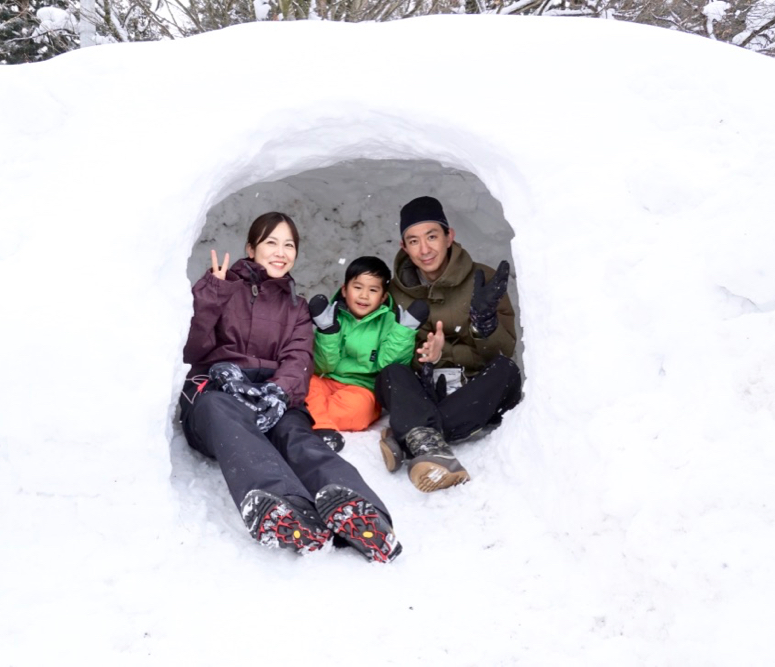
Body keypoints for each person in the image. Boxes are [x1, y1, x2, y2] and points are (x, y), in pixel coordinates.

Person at [180, 212, 402, 563]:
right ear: (251, 248)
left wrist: (278, 393)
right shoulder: (221, 289)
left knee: (299, 438)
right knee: (218, 408)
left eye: (289, 245)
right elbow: (192, 349)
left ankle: (363, 513)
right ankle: (288, 510)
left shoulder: (296, 308)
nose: (280, 251)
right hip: (218, 392)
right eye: (271, 242)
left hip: (270, 396)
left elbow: (298, 358)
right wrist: (212, 297)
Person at [375, 196, 523, 493]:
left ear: (449, 236)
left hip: (473, 390)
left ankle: (413, 434)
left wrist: (483, 324)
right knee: (390, 373)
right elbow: (391, 350)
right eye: (414, 241)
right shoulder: (394, 292)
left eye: (432, 236)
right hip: (429, 392)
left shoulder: (482, 278)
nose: (425, 249)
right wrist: (426, 358)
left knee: (506, 372)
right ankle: (427, 439)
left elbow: (503, 350)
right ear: (404, 247)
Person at [305, 256, 429, 447]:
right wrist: (327, 331)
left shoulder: (389, 322)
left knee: (358, 410)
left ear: (383, 297)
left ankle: (313, 421)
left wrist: (403, 331)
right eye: (358, 287)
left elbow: (387, 366)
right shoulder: (332, 317)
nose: (364, 296)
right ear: (345, 290)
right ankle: (320, 423)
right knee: (304, 386)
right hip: (327, 380)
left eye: (373, 290)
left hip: (362, 388)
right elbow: (322, 365)